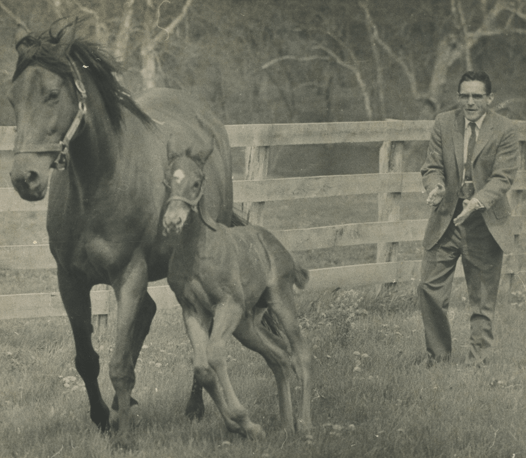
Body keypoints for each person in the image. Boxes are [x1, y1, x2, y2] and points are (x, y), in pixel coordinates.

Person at [418, 71, 519, 367]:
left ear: (490, 98)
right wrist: (435, 186)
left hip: (485, 221)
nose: (470, 102)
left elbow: (503, 177)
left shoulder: (505, 130)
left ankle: (478, 364)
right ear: (458, 97)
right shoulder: (444, 123)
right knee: (429, 289)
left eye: (477, 96)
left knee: (483, 298)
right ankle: (438, 358)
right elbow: (432, 166)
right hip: (447, 219)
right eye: (465, 96)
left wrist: (476, 202)